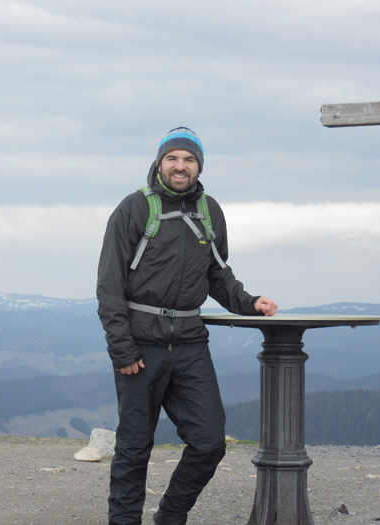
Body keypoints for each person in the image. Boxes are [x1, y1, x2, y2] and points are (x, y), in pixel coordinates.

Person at [96, 127, 278, 525]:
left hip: (191, 344)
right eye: (173, 158)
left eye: (189, 159)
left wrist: (249, 303)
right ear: (159, 163)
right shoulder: (134, 209)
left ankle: (170, 517)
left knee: (210, 442)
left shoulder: (209, 211)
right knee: (133, 447)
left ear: (199, 166)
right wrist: (122, 350)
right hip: (140, 347)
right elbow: (109, 288)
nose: (181, 166)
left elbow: (218, 275)